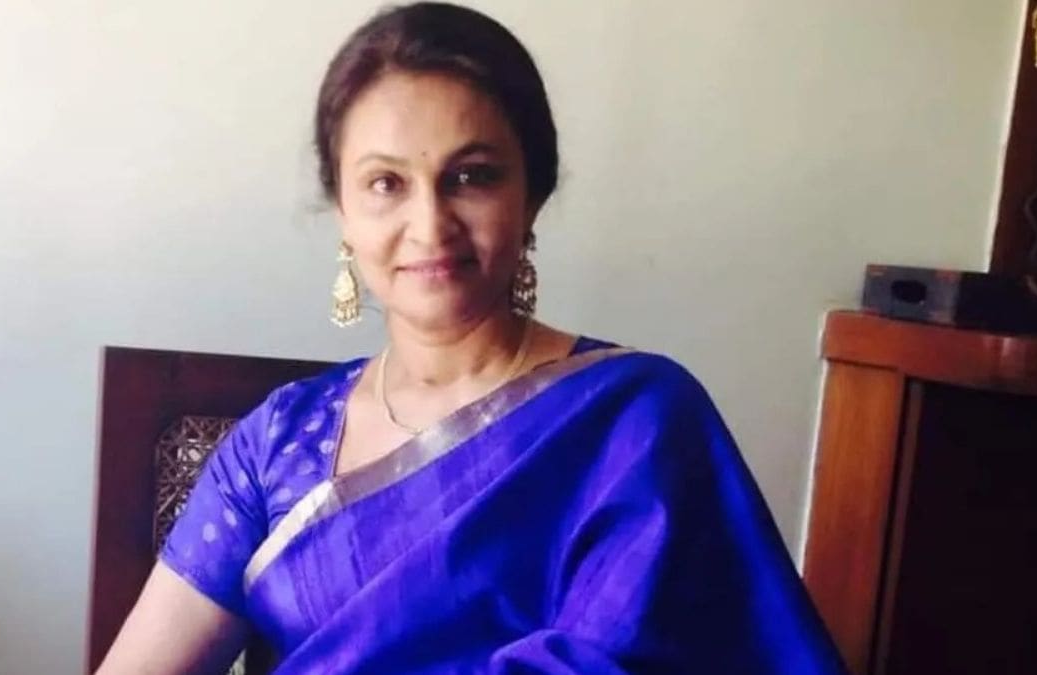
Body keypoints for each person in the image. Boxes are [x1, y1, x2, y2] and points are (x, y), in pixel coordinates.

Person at [97, 3, 844, 673]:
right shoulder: (276, 443)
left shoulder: (635, 422)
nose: (430, 225)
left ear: (532, 195)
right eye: (386, 183)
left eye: (472, 176)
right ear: (343, 212)